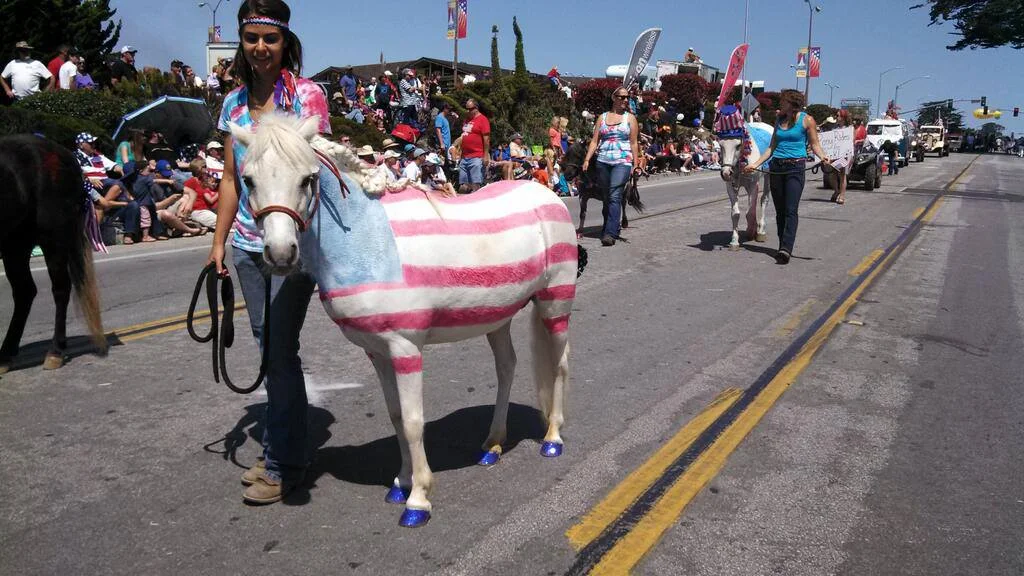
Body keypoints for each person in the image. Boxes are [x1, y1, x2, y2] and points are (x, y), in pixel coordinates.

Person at [206, 0, 332, 505]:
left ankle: (284, 465)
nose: (260, 47)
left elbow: (317, 168)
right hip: (244, 243)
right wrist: (217, 241)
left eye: (270, 39)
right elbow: (232, 180)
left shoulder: (308, 97)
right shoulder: (232, 104)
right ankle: (282, 443)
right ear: (242, 40)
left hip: (291, 245)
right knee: (267, 349)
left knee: (279, 352)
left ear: (286, 43)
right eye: (252, 38)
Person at [744, 89, 830, 265]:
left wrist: (824, 157)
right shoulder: (779, 120)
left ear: (790, 103)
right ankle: (783, 243)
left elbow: (815, 144)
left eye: (782, 102)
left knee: (791, 209)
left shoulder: (807, 120)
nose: (780, 104)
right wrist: (756, 163)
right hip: (776, 166)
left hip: (795, 167)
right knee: (780, 210)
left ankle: (786, 249)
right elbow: (771, 147)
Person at [582, 86, 639, 246]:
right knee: (606, 197)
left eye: (627, 97)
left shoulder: (630, 118)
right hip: (603, 161)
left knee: (615, 195)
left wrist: (636, 163)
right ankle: (610, 224)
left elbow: (634, 142)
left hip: (622, 161)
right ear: (614, 98)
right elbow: (595, 141)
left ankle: (610, 233)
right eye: (622, 97)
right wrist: (587, 159)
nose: (625, 100)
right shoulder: (602, 117)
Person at [458, 98, 490, 193]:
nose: (468, 111)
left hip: (477, 156)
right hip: (464, 157)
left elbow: (486, 139)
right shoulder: (467, 120)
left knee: (476, 185)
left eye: (470, 109)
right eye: (467, 109)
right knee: (463, 186)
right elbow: (463, 136)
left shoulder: (483, 119)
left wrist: (485, 155)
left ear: (476, 108)